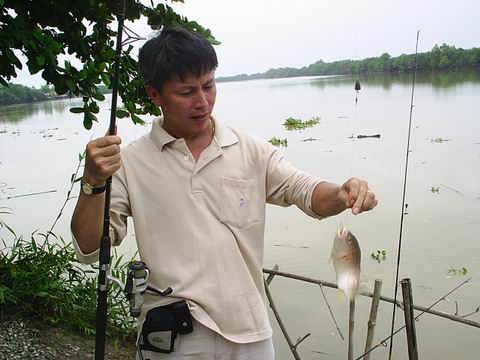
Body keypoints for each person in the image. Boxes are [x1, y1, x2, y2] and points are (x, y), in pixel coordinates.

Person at [71, 27, 377, 360]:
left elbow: (303, 189)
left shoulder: (250, 150)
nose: (202, 102)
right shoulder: (129, 163)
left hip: (250, 333)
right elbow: (89, 247)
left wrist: (342, 193)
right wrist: (93, 182)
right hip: (175, 336)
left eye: (208, 86)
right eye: (187, 91)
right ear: (154, 95)